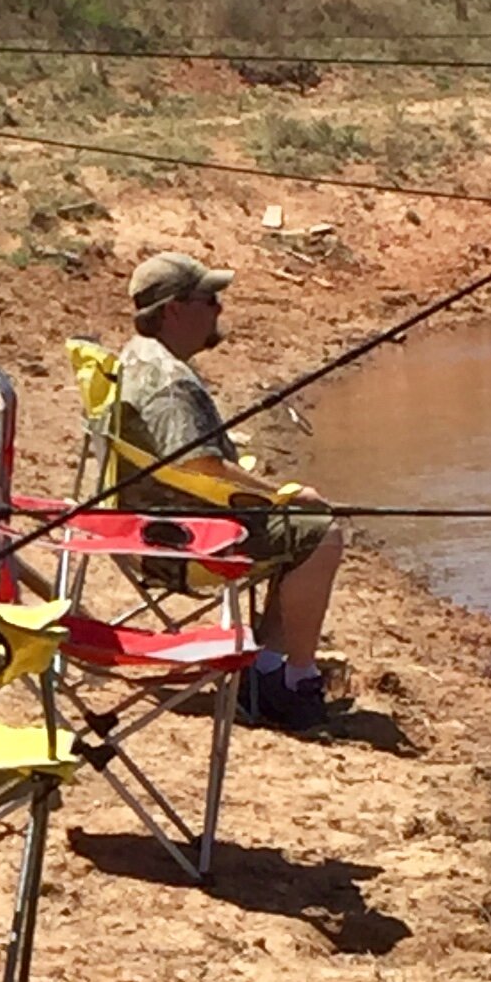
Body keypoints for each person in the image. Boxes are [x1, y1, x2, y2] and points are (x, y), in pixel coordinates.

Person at [115, 249, 345, 732]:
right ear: (174, 310)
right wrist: (279, 495)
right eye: (210, 299)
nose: (219, 309)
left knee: (299, 528)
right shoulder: (172, 384)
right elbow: (200, 464)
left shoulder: (136, 358)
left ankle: (264, 668)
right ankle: (293, 681)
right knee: (320, 533)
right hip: (182, 544)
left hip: (152, 527)